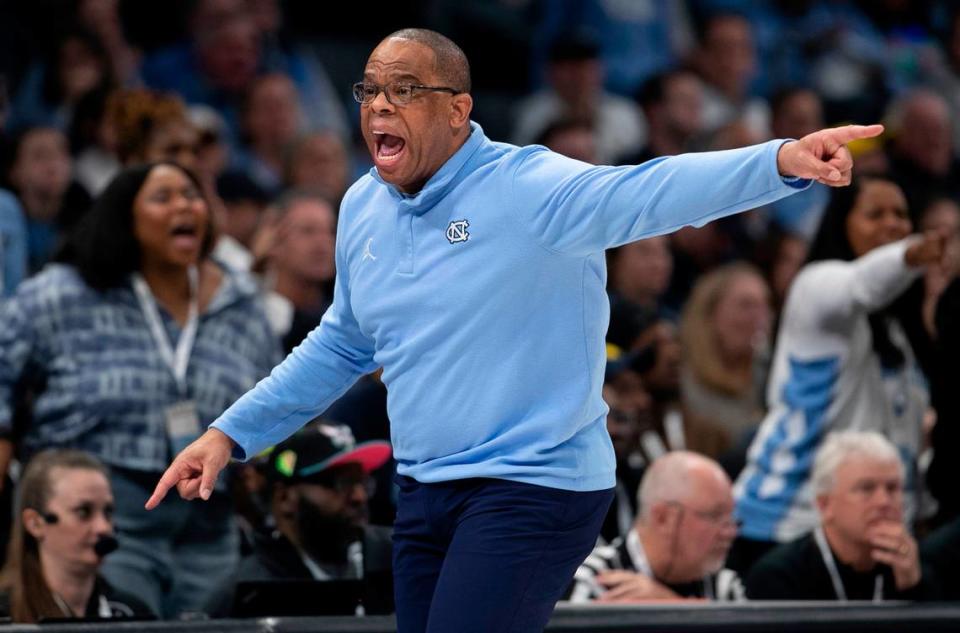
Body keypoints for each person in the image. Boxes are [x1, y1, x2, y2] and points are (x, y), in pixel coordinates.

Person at [147, 28, 882, 633]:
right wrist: (231, 433)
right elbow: (343, 340)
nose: (379, 105)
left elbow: (651, 190)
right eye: (369, 88)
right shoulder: (361, 206)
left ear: (459, 109)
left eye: (405, 89)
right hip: (425, 488)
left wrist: (779, 161)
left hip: (535, 482)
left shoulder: (529, 187)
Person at [0, 162, 280, 617]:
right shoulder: (63, 294)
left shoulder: (242, 303)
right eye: (162, 197)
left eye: (191, 195)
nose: (184, 206)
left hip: (211, 517)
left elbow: (273, 401)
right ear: (124, 216)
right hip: (103, 510)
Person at [732, 178, 947, 575]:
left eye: (901, 215)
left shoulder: (901, 329)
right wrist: (912, 253)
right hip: (785, 526)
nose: (892, 224)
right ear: (840, 224)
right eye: (875, 214)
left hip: (868, 536)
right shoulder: (816, 288)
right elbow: (863, 285)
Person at [206, 421, 393, 617]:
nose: (359, 497)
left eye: (363, 483)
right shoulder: (250, 593)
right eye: (341, 484)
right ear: (285, 498)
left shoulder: (395, 557)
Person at [746, 431, 938, 600]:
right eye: (866, 488)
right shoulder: (779, 576)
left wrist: (913, 586)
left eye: (892, 488)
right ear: (825, 504)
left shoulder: (914, 568)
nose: (884, 501)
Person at [567, 451, 743, 603]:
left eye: (731, 519)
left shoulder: (724, 585)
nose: (730, 531)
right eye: (714, 515)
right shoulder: (592, 579)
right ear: (663, 518)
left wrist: (672, 607)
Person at [0, 450, 152, 622]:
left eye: (107, 512)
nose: (103, 527)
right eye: (83, 512)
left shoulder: (132, 613)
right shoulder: (5, 615)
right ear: (35, 523)